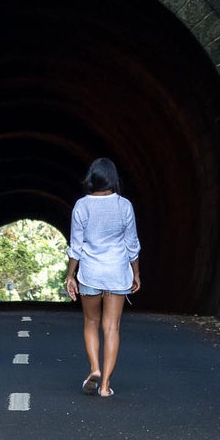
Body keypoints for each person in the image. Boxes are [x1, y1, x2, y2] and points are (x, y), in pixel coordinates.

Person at [63, 157, 140, 398]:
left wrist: (70, 275)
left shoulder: (82, 206)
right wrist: (136, 272)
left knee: (91, 323)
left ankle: (94, 369)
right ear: (113, 179)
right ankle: (105, 385)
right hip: (117, 272)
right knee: (112, 327)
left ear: (91, 179)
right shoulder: (124, 206)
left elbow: (76, 246)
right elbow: (132, 245)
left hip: (91, 273)